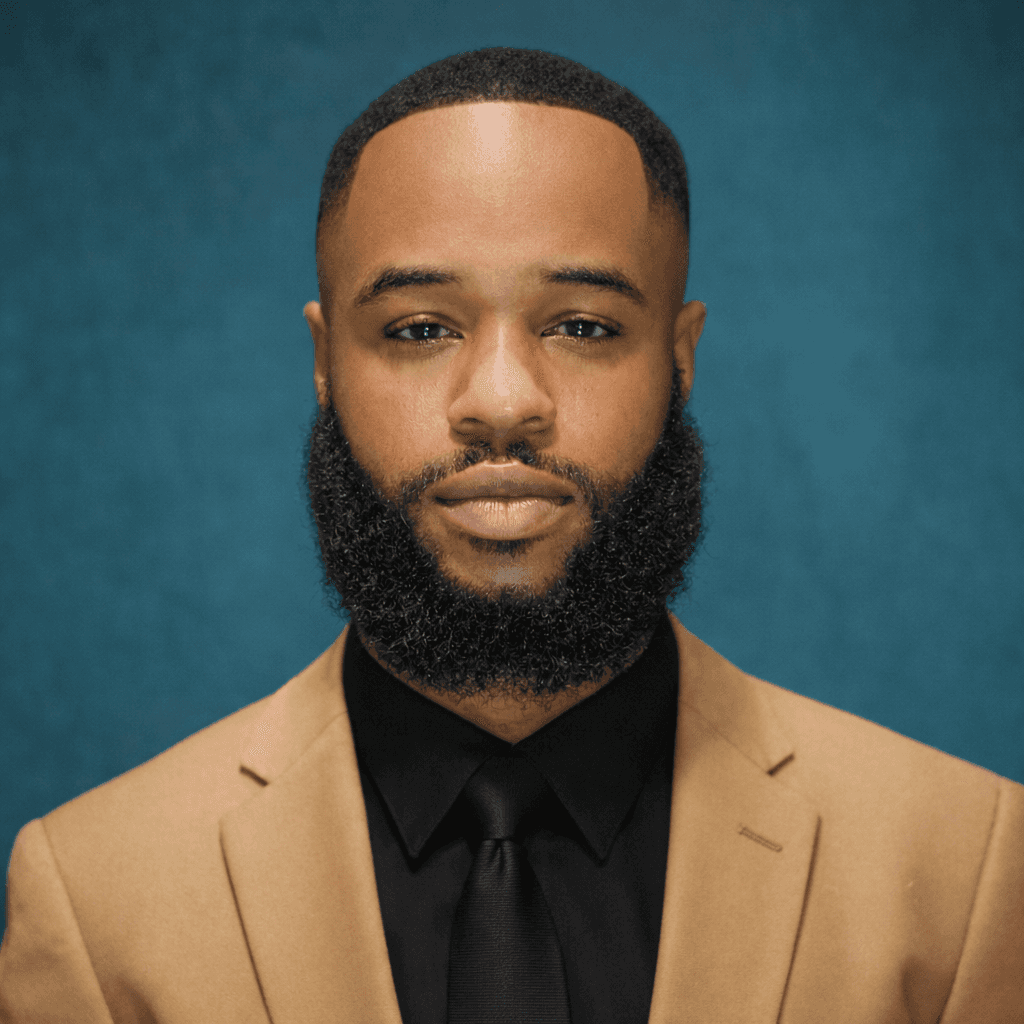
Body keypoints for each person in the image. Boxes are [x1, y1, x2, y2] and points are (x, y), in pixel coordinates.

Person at [0, 46, 1021, 1024]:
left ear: (680, 356)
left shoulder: (967, 869)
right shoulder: (94, 899)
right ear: (323, 363)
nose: (501, 401)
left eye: (581, 325)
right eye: (416, 328)